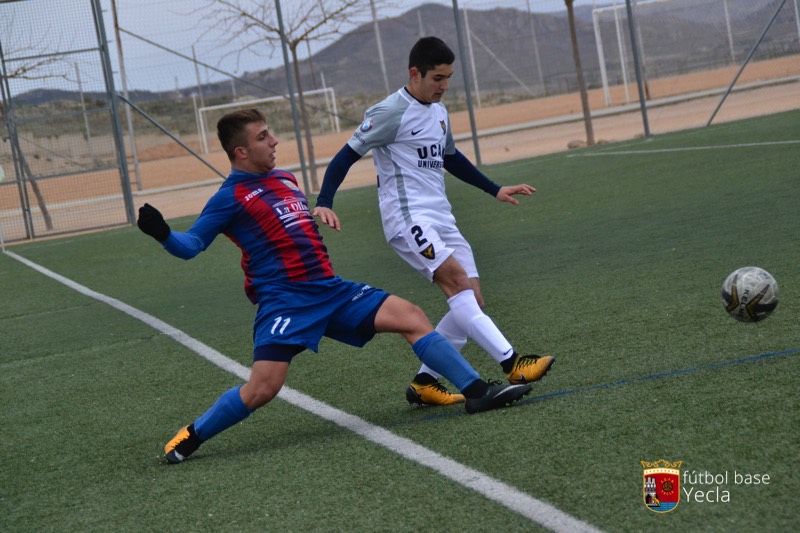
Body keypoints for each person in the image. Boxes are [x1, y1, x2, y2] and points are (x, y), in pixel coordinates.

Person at [137, 108, 532, 464]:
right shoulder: (230, 197)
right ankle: (193, 435)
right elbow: (191, 246)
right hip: (286, 303)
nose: (274, 141)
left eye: (269, 133)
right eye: (262, 137)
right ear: (240, 152)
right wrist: (163, 234)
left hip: (330, 290)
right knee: (263, 389)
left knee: (411, 316)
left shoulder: (286, 178)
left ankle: (477, 392)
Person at [313, 36, 554, 407]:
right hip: (407, 218)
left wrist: (494, 189)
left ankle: (425, 382)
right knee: (457, 283)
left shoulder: (440, 112)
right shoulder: (389, 111)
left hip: (441, 216)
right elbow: (345, 156)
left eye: (448, 78)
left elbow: (451, 158)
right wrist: (325, 202)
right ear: (415, 73)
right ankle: (513, 364)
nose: (444, 86)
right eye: (437, 78)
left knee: (471, 300)